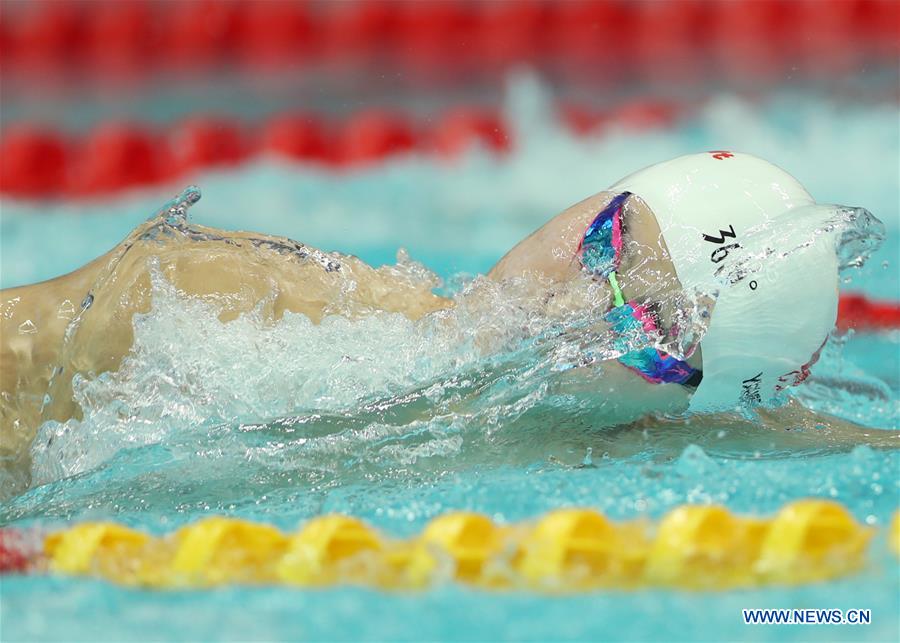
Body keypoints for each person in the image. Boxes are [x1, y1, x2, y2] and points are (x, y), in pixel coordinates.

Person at [1, 152, 894, 495]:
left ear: (676, 402)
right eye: (603, 241)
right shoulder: (236, 303)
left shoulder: (572, 429)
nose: (578, 307)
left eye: (646, 328)